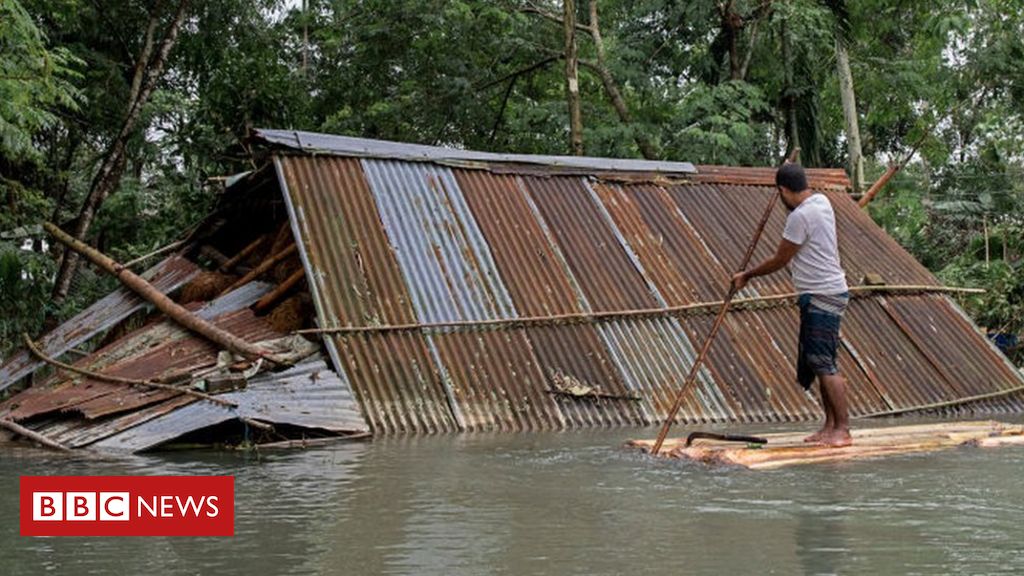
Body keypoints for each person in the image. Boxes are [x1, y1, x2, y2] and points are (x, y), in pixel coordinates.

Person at [732, 163, 852, 447]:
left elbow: (781, 259)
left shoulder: (801, 216)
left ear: (783, 190)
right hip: (827, 292)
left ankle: (843, 430)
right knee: (816, 359)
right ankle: (829, 426)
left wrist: (747, 275)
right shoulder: (821, 201)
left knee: (824, 362)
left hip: (823, 294)